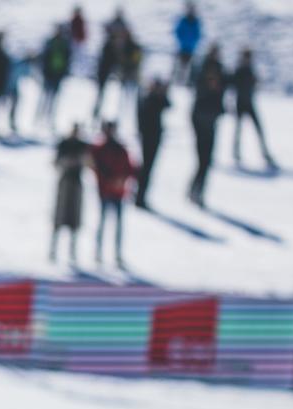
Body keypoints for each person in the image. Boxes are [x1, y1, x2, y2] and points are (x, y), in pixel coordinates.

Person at [90, 120, 135, 267]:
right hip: (105, 191)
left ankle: (117, 254)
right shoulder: (99, 149)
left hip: (119, 192)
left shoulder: (120, 149)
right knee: (103, 223)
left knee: (118, 225)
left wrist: (122, 181)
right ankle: (98, 252)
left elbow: (130, 169)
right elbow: (95, 167)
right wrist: (109, 181)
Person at [189, 45, 226, 207]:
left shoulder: (220, 70)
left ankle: (196, 190)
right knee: (202, 159)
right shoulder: (202, 70)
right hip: (201, 118)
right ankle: (195, 190)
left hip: (211, 119)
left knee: (206, 160)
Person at [50, 123, 90, 265]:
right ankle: (53, 250)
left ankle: (72, 252)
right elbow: (55, 162)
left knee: (74, 218)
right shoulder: (64, 144)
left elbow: (88, 162)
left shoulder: (82, 145)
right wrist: (66, 163)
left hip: (76, 182)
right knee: (59, 216)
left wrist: (80, 161)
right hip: (65, 181)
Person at [231, 48, 276, 168]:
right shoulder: (239, 70)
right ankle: (236, 152)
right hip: (240, 103)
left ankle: (264, 152)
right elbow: (233, 85)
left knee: (258, 128)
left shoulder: (250, 69)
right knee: (238, 129)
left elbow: (254, 84)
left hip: (249, 103)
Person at [135, 79, 170, 209]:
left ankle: (141, 194)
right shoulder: (148, 99)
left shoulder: (153, 99)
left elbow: (168, 104)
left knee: (147, 167)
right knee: (146, 167)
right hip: (149, 137)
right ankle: (140, 195)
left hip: (152, 137)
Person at [37, 25, 70, 129]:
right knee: (45, 96)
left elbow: (67, 58)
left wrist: (64, 71)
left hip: (58, 73)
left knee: (54, 97)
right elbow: (44, 57)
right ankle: (39, 117)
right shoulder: (50, 42)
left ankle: (49, 118)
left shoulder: (64, 44)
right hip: (49, 73)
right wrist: (44, 71)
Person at [173, 2, 202, 85]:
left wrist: (194, 43)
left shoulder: (196, 22)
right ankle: (178, 80)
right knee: (180, 65)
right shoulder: (183, 20)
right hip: (183, 48)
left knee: (189, 66)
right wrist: (181, 42)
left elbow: (198, 35)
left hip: (191, 49)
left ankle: (187, 82)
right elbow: (178, 32)